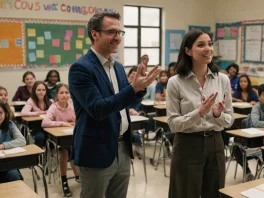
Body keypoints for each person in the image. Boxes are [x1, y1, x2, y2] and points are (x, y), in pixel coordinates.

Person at [68, 12, 159, 198]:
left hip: (122, 148)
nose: (117, 37)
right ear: (95, 34)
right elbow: (98, 109)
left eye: (120, 32)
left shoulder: (117, 66)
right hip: (97, 150)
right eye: (111, 32)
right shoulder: (81, 68)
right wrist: (133, 87)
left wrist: (139, 89)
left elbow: (127, 101)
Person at [166, 29, 234, 198]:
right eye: (201, 45)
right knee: (185, 193)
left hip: (215, 143)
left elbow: (229, 118)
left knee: (215, 192)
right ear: (188, 51)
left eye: (210, 44)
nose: (208, 49)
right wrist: (199, 112)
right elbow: (173, 124)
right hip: (187, 144)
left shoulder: (222, 79)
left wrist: (218, 115)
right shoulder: (175, 82)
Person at [42, 84, 80, 196]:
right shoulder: (54, 107)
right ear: (56, 95)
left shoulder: (72, 106)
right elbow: (44, 122)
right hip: (57, 141)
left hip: (71, 136)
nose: (64, 95)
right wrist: (62, 123)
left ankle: (78, 175)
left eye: (66, 92)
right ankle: (64, 181)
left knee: (76, 147)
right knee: (65, 152)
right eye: (61, 93)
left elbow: (79, 119)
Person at [0, 101, 26, 183]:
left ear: (5, 114)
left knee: (14, 175)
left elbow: (22, 140)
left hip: (7, 164)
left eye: (0, 113)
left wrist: (3, 145)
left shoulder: (10, 125)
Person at [21, 81, 52, 148]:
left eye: (43, 90)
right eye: (39, 90)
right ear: (34, 91)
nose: (41, 92)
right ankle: (38, 155)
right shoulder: (31, 100)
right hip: (36, 127)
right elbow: (23, 112)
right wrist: (37, 113)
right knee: (40, 137)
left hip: (48, 126)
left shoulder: (50, 101)